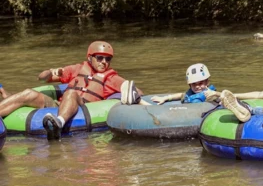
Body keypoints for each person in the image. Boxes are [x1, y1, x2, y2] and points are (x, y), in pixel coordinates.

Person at [0, 41, 143, 140]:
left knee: (71, 93)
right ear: (90, 58)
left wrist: (129, 97)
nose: (104, 62)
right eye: (100, 58)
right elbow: (42, 77)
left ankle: (59, 124)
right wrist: (49, 72)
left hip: (84, 107)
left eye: (108, 59)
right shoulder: (76, 69)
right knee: (28, 93)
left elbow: (136, 91)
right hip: (59, 105)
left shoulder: (112, 78)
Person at [149, 63, 220, 105]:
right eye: (194, 84)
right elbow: (181, 95)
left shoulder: (211, 94)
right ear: (189, 85)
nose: (197, 86)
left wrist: (215, 93)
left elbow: (224, 96)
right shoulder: (191, 94)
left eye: (200, 83)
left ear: (207, 82)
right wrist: (165, 98)